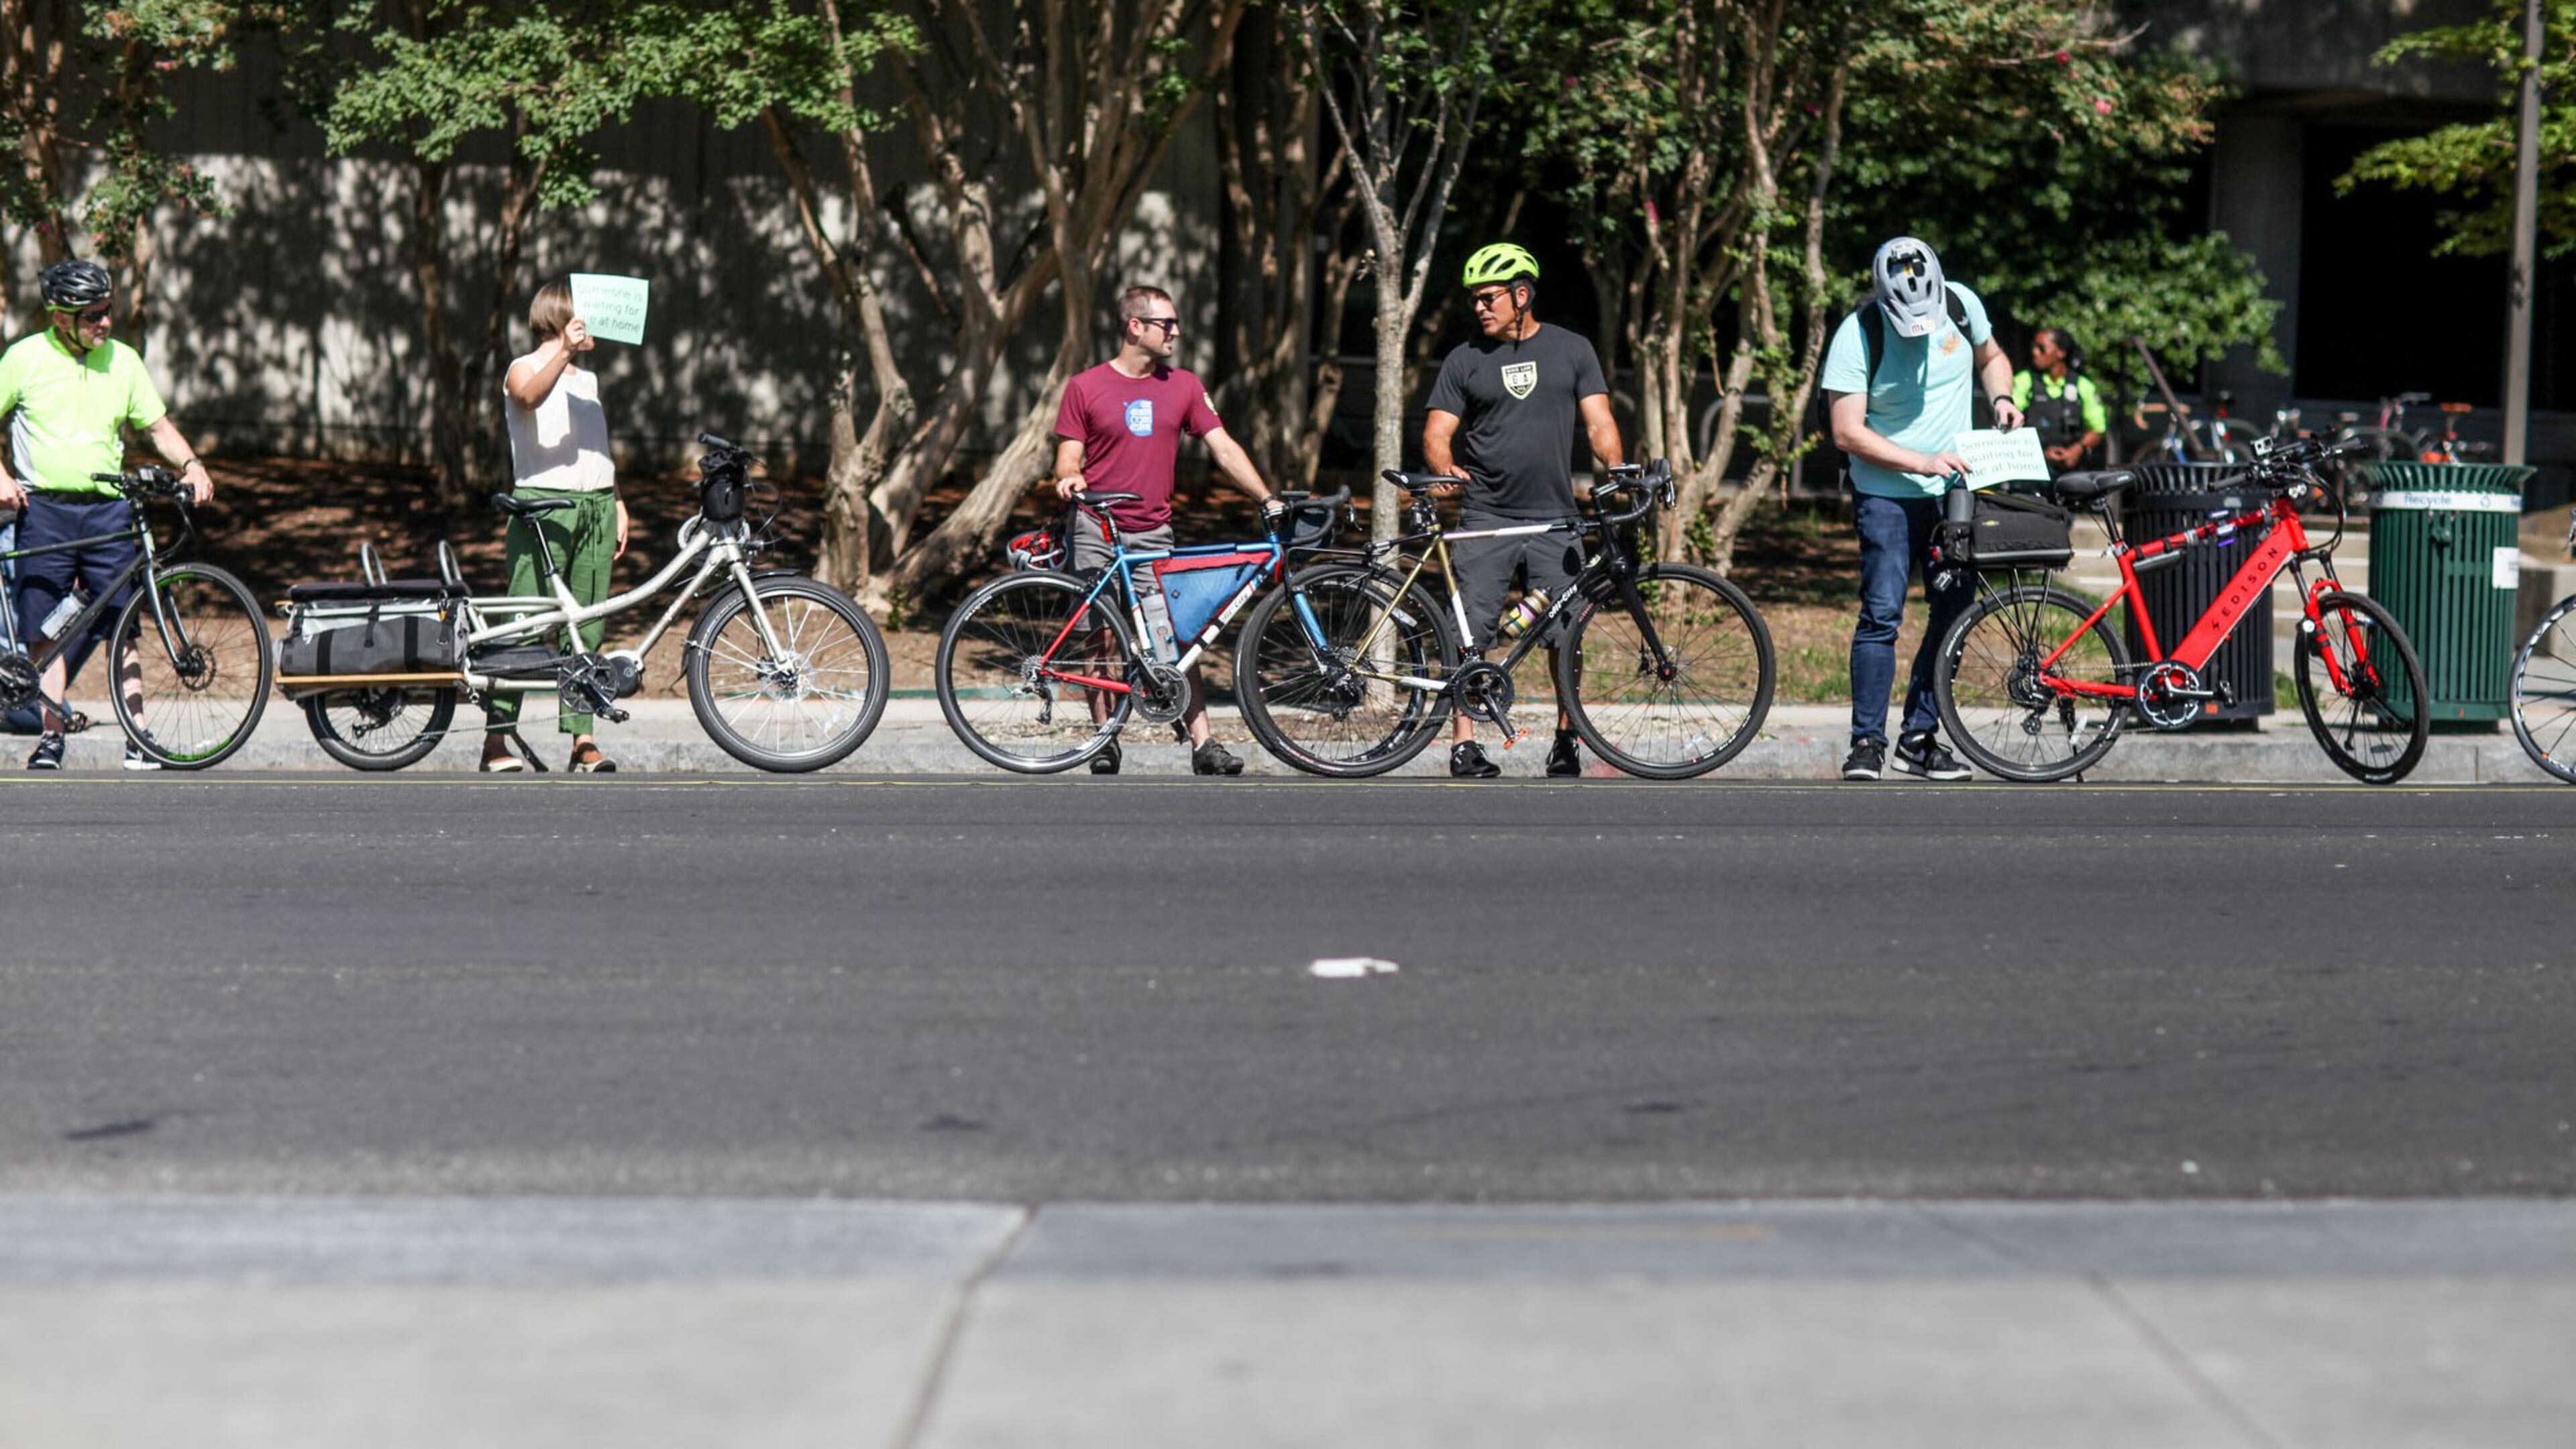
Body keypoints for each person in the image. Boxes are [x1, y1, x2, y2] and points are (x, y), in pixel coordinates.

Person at [1051, 283, 1277, 776]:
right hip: (1095, 527)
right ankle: (1104, 739)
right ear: (1136, 326)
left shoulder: (1184, 386)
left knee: (1175, 637)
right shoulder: (1086, 387)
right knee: (1100, 639)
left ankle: (1204, 744)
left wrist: (1266, 496)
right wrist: (1070, 475)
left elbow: (1223, 447)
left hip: (1154, 532)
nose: (1176, 331)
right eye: (1166, 324)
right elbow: (1068, 453)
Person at [0, 259, 214, 770]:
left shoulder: (123, 361)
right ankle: (51, 736)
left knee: (124, 625)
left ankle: (139, 738)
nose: (105, 322)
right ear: (61, 317)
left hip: (108, 511)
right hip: (44, 509)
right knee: (44, 633)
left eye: (107, 310)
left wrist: (192, 464)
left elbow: (157, 427)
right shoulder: (24, 359)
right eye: (92, 314)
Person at [1821, 236, 2021, 783]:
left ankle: (1919, 737)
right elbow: (1846, 431)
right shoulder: (1856, 334)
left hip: (1951, 491)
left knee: (1954, 611)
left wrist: (2001, 397)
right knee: (1882, 614)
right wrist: (1919, 460)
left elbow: (1993, 357)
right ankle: (1866, 743)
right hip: (1885, 495)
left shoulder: (1960, 304)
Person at [1421, 242, 1621, 779]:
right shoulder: (1464, 359)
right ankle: (1464, 743)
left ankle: (1566, 736)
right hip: (1485, 517)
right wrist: (1444, 468)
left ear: (1522, 294)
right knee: (1471, 629)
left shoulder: (1572, 350)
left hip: (1556, 517)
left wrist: (1617, 467)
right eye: (1475, 300)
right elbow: (1438, 431)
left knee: (1565, 633)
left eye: (1489, 298)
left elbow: (1600, 422)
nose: (1479, 308)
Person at [482, 278, 629, 773]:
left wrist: (618, 500)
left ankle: (582, 740)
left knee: (587, 625)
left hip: (595, 506)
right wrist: (564, 350)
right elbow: (528, 398)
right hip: (543, 508)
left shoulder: (586, 381)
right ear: (565, 318)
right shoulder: (523, 367)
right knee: (526, 621)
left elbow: (593, 446)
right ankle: (497, 739)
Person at [2011, 327, 2106, 474]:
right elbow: (2010, 423)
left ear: (2061, 353)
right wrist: (2041, 455)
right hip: (2032, 471)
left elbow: (2098, 430)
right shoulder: (2024, 381)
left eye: (2042, 348)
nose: (2035, 353)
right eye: (2034, 348)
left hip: (2073, 472)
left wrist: (2077, 450)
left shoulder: (2083, 386)